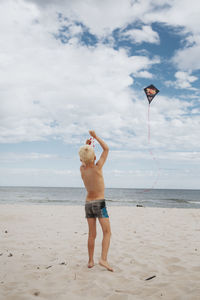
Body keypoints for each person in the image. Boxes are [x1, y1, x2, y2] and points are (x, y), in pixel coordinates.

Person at [79, 130, 113, 272]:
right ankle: (103, 259)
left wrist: (86, 147)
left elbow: (84, 159)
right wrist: (95, 137)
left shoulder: (82, 169)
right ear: (94, 157)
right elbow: (106, 149)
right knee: (107, 232)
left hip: (88, 204)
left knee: (92, 234)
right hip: (99, 204)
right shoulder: (98, 167)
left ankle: (90, 261)